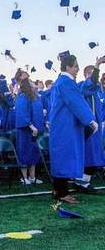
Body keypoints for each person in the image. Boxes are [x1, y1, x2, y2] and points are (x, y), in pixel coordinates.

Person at [49, 54, 98, 204]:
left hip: (64, 125)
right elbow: (75, 102)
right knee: (64, 157)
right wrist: (90, 120)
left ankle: (60, 190)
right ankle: (61, 192)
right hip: (65, 127)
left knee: (64, 156)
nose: (77, 69)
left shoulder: (63, 82)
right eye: (75, 66)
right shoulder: (65, 82)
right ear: (68, 67)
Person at [75, 57, 105, 191]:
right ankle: (80, 182)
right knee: (88, 155)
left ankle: (85, 182)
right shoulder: (83, 86)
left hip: (98, 127)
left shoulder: (98, 90)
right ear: (87, 74)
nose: (97, 77)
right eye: (94, 73)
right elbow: (91, 83)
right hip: (88, 127)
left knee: (95, 156)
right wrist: (97, 64)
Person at [15, 76, 44, 185]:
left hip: (35, 130)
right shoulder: (22, 97)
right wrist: (31, 126)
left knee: (34, 153)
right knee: (24, 152)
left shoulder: (35, 97)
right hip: (26, 130)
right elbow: (22, 114)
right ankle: (24, 177)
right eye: (31, 82)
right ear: (27, 85)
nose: (33, 83)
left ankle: (32, 177)